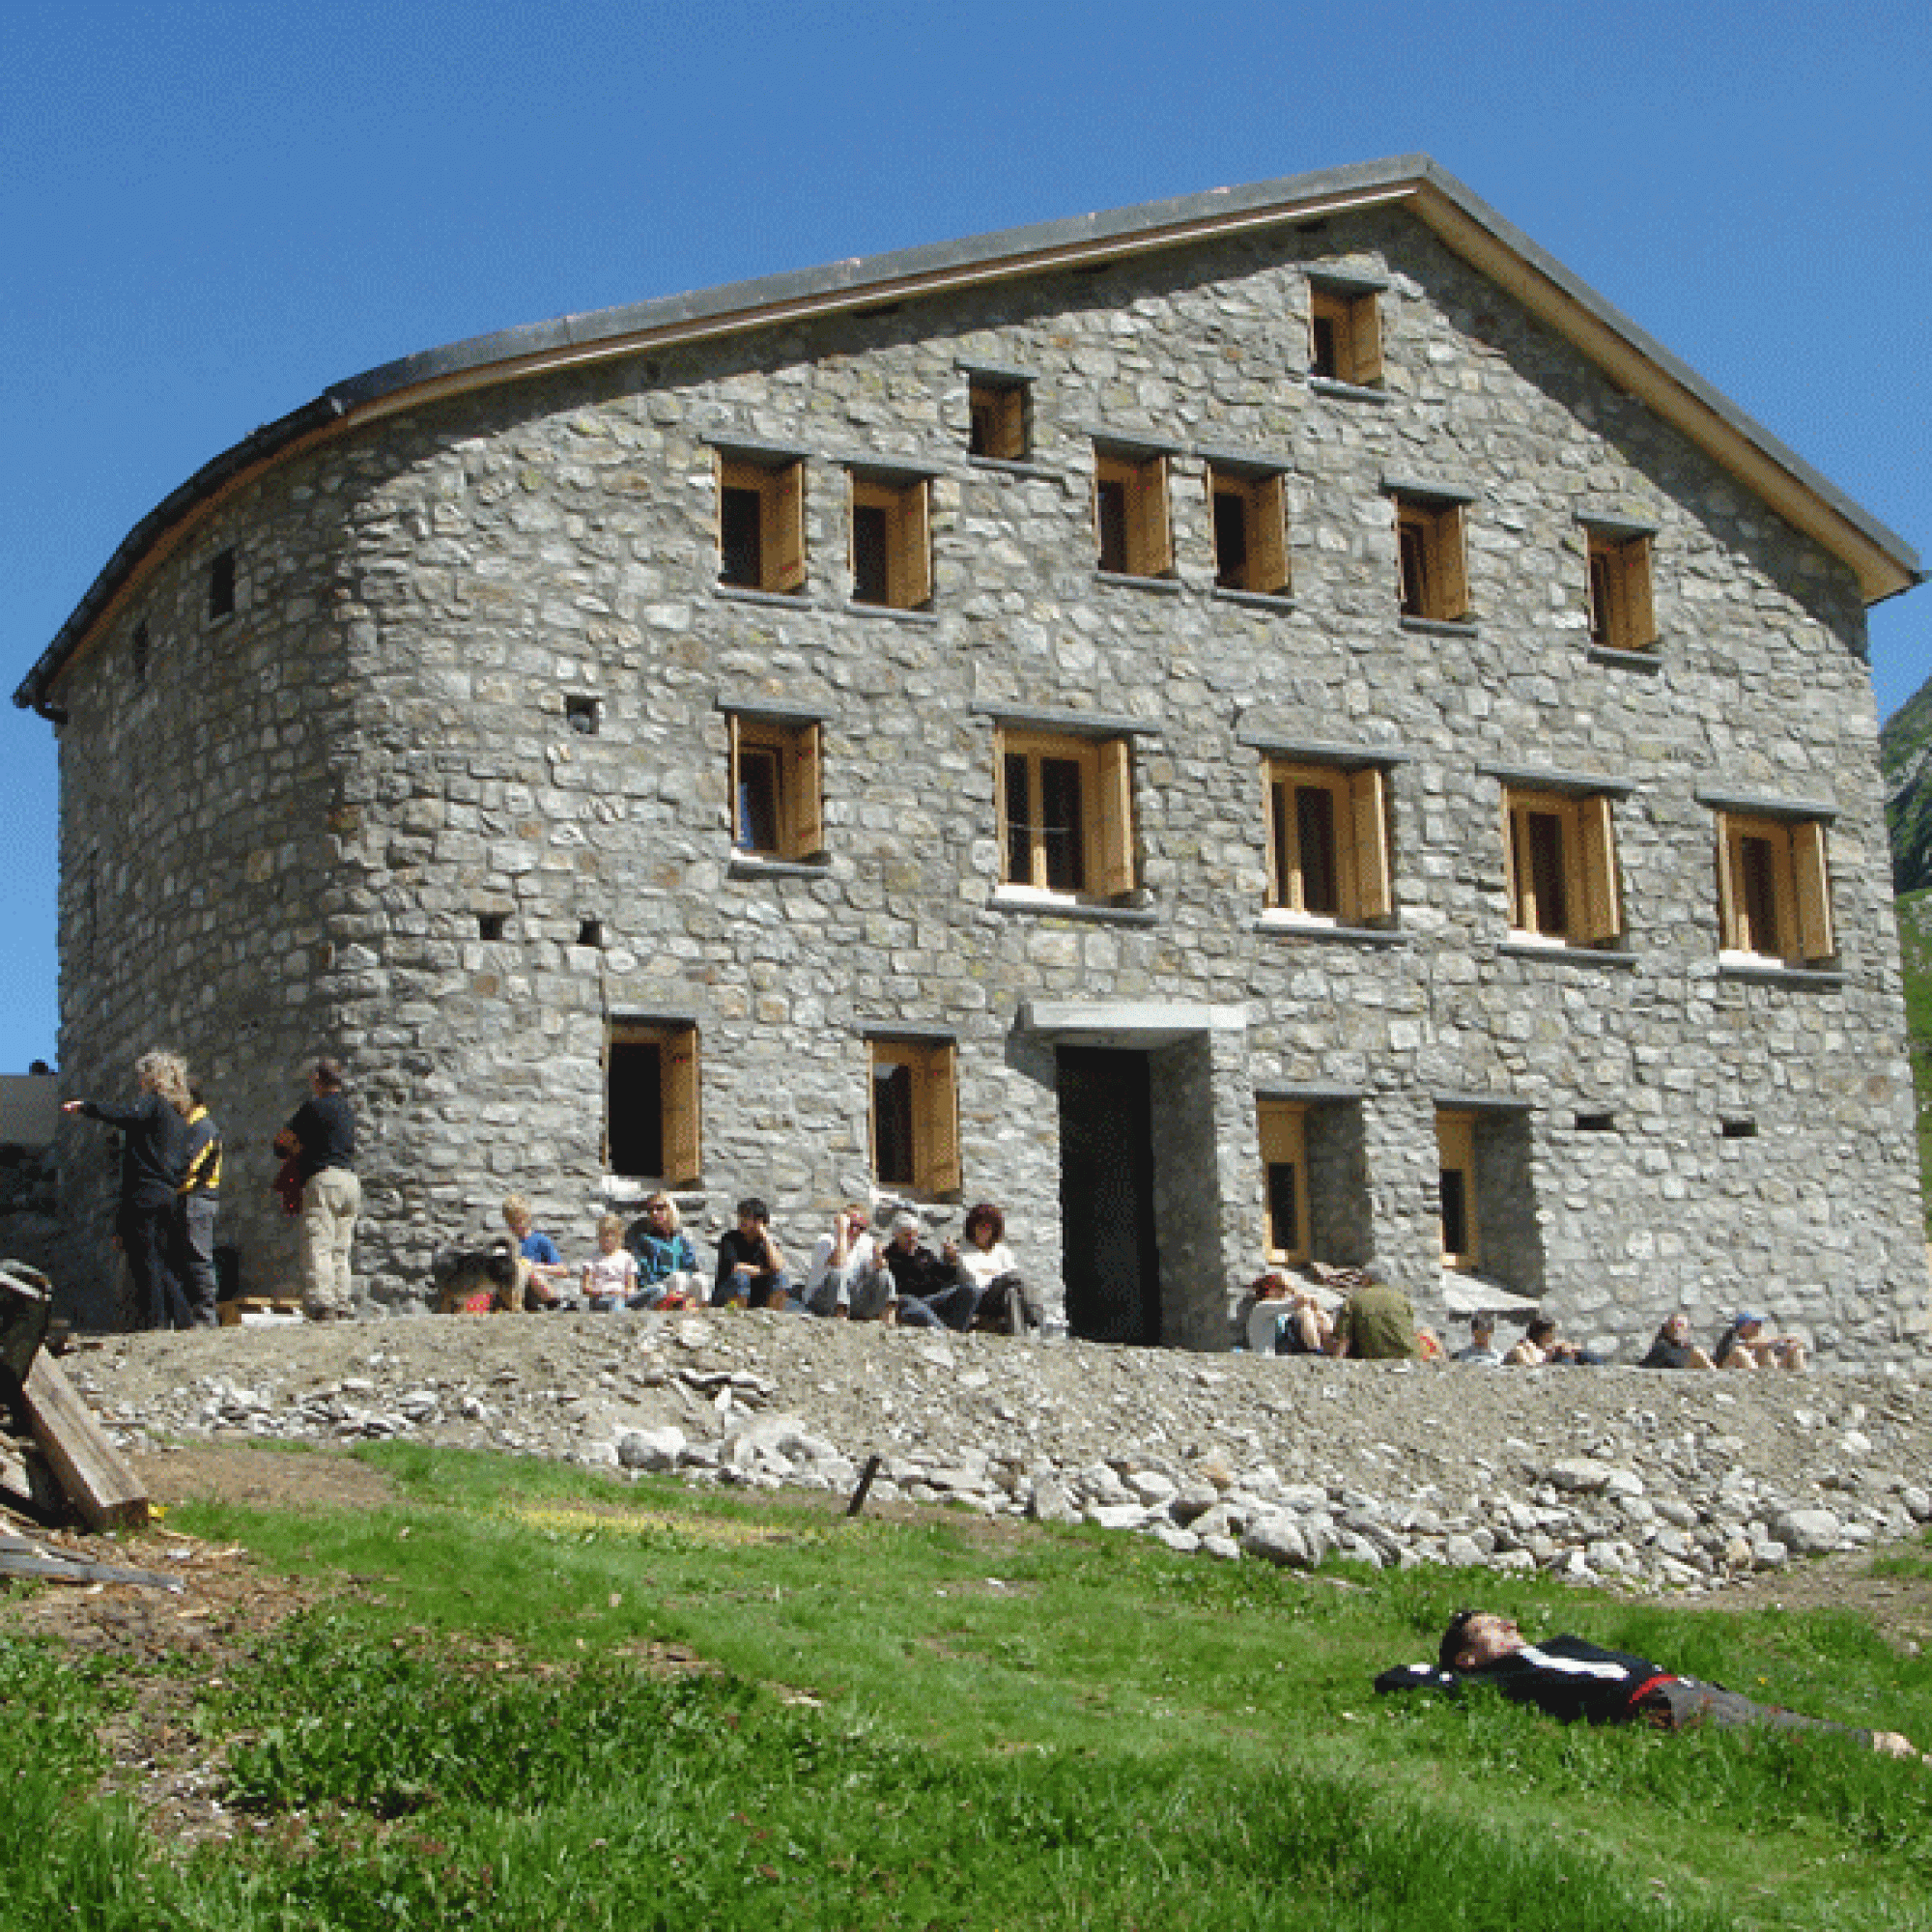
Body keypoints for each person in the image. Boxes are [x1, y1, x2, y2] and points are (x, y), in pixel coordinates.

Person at [1377, 1610, 1919, 1759]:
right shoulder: (1498, 1677)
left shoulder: (1555, 1645)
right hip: (1655, 1704)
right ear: (1469, 1657)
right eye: (1492, 1629)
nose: (1510, 1628)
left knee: (1777, 1719)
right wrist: (1448, 1673)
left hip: (1679, 1683)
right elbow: (1399, 1678)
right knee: (1786, 1736)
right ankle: (1886, 1752)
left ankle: (1891, 1750)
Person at [63, 1050, 195, 1331]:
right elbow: (185, 1160)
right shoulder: (178, 1117)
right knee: (161, 1260)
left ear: (152, 1077)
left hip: (145, 1192)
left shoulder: (153, 1104)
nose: (139, 1081)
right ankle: (183, 1319)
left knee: (144, 1260)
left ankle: (155, 1322)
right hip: (168, 1193)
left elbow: (128, 1115)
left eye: (141, 1075)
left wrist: (88, 1107)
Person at [274, 1058, 359, 1322]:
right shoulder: (347, 1110)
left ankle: (323, 1304)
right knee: (341, 1247)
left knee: (319, 1242)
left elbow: (281, 1142)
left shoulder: (314, 1107)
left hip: (324, 1179)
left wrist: (296, 1150)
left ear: (317, 1079)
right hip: (350, 1180)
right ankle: (343, 1301)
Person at [173, 1076, 223, 1328]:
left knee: (199, 1259)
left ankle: (205, 1318)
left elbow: (189, 1167)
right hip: (189, 1199)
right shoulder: (190, 1128)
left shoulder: (203, 1128)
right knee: (187, 1260)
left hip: (198, 1199)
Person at [880, 1212, 980, 1330]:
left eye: (915, 1235)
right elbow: (900, 1289)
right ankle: (946, 1333)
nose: (912, 1239)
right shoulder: (888, 1257)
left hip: (933, 1300)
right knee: (907, 1300)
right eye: (907, 1235)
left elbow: (947, 1279)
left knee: (971, 1290)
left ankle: (955, 1329)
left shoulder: (925, 1254)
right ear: (896, 1236)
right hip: (911, 1303)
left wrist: (951, 1260)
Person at [951, 1202, 1033, 1334]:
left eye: (989, 1227)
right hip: (981, 1298)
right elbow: (976, 1280)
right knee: (1014, 1279)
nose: (985, 1231)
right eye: (981, 1226)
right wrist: (1000, 1277)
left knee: (1012, 1293)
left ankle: (1019, 1338)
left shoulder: (1001, 1250)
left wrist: (993, 1275)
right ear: (972, 1227)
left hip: (1001, 1296)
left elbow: (1012, 1275)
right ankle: (1037, 1318)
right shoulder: (962, 1249)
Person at [804, 1203, 895, 1321]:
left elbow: (879, 1269)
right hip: (821, 1300)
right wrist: (842, 1233)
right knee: (840, 1273)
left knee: (885, 1275)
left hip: (852, 1299)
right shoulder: (826, 1241)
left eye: (860, 1227)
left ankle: (888, 1324)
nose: (855, 1230)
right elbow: (839, 1263)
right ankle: (841, 1323)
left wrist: (878, 1255)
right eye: (851, 1225)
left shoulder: (867, 1242)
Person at [626, 1192, 703, 1310]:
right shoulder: (644, 1240)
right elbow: (645, 1274)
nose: (654, 1213)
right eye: (651, 1209)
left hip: (681, 1283)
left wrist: (689, 1277)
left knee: (699, 1279)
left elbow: (692, 1267)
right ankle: (674, 1314)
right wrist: (670, 1276)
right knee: (678, 1277)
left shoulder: (681, 1240)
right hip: (657, 1288)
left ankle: (701, 1316)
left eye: (660, 1208)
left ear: (670, 1210)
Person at [713, 1198, 792, 1310]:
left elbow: (778, 1266)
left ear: (759, 1221)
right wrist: (766, 1272)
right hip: (727, 1294)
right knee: (741, 1277)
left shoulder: (767, 1244)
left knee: (780, 1278)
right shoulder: (729, 1239)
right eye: (740, 1216)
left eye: (746, 1217)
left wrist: (765, 1237)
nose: (741, 1220)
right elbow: (738, 1268)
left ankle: (773, 1317)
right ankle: (736, 1316)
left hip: (756, 1295)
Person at [1327, 1270, 1418, 1360]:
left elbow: (1344, 1338)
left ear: (1368, 1279)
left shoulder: (1354, 1299)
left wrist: (1336, 1361)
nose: (1359, 1282)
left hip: (1372, 1355)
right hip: (1406, 1356)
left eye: (1362, 1278)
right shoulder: (1402, 1299)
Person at [503, 1194, 570, 1310]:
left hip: (536, 1289)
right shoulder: (505, 1243)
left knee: (531, 1274)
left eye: (519, 1220)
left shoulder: (539, 1240)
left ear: (527, 1217)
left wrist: (534, 1267)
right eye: (511, 1222)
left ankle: (555, 1304)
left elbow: (563, 1270)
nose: (515, 1225)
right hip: (513, 1288)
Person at [1714, 1311, 1807, 1373]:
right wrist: (1780, 1339)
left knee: (1796, 1350)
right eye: (1756, 1323)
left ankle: (1801, 1377)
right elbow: (1749, 1344)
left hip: (1762, 1368)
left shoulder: (1761, 1340)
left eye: (1760, 1323)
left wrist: (1792, 1346)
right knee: (1761, 1349)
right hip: (1733, 1370)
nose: (1759, 1326)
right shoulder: (1734, 1339)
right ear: (1743, 1327)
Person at [582, 1212, 639, 1310]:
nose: (607, 1238)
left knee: (657, 1290)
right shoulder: (592, 1258)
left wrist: (621, 1293)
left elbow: (631, 1287)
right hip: (601, 1298)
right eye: (603, 1234)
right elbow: (586, 1288)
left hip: (622, 1297)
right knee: (615, 1301)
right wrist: (604, 1291)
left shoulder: (627, 1258)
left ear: (619, 1236)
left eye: (611, 1234)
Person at [1504, 1315, 1599, 1366]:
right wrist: (1548, 1359)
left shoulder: (1550, 1345)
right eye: (1551, 1332)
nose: (1554, 1335)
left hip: (1548, 1365)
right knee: (1566, 1358)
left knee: (1582, 1353)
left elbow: (1578, 1347)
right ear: (1542, 1334)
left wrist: (1569, 1349)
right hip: (1542, 1371)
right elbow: (1529, 1366)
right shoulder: (1525, 1346)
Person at [1639, 1312, 1716, 1371]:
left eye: (1681, 1325)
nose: (1678, 1328)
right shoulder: (1661, 1347)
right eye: (1676, 1325)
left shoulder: (1692, 1351)